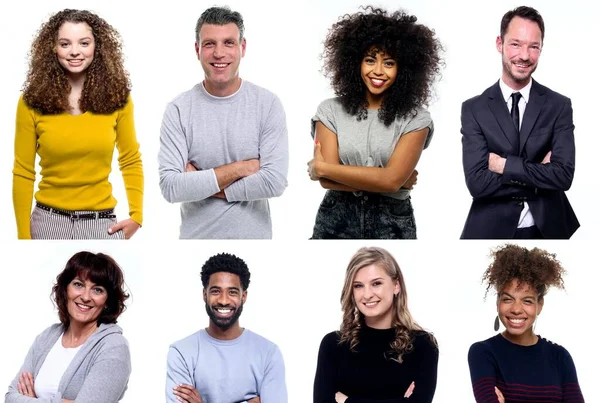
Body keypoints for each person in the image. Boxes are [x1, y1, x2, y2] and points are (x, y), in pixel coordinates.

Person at [307, 6, 442, 239]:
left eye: (389, 63)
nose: (378, 71)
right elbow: (327, 183)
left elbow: (389, 181)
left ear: (404, 69)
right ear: (355, 62)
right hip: (336, 218)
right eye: (370, 60)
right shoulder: (330, 110)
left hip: (392, 221)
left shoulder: (416, 118)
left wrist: (322, 168)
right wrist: (391, 180)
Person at [158, 6, 289, 239]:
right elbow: (171, 187)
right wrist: (242, 168)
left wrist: (202, 183)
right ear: (197, 50)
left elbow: (273, 182)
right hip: (195, 242)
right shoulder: (178, 110)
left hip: (255, 243)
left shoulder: (267, 104)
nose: (219, 53)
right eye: (210, 44)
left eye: (228, 42)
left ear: (242, 47)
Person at [12, 9, 144, 240]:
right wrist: (24, 236)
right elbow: (23, 171)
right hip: (47, 223)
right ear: (52, 48)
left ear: (97, 47)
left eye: (84, 43)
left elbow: (130, 159)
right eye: (65, 44)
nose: (75, 51)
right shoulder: (31, 102)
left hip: (101, 224)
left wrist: (137, 216)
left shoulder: (118, 99)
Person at [313, 247, 438, 403]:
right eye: (358, 286)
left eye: (376, 283)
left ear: (396, 285)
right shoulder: (334, 344)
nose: (367, 294)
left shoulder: (422, 344)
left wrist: (348, 401)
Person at [4, 252, 131, 403]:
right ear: (65, 289)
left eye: (98, 289)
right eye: (78, 284)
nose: (85, 296)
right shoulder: (47, 338)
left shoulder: (113, 347)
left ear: (108, 300)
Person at [468, 244, 587, 403]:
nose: (516, 309)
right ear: (497, 302)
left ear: (540, 305)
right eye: (507, 299)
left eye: (527, 300)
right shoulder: (483, 353)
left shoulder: (559, 356)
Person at [166, 253, 287, 403]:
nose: (223, 300)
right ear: (204, 294)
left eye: (232, 291)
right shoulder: (182, 351)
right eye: (215, 291)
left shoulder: (267, 352)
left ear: (244, 296)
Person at [461, 6, 578, 239]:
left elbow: (563, 176)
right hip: (489, 229)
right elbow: (477, 183)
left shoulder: (559, 105)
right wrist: (541, 174)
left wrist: (503, 166)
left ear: (541, 49)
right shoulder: (474, 108)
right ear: (499, 44)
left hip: (550, 228)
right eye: (516, 44)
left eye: (533, 47)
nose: (524, 56)